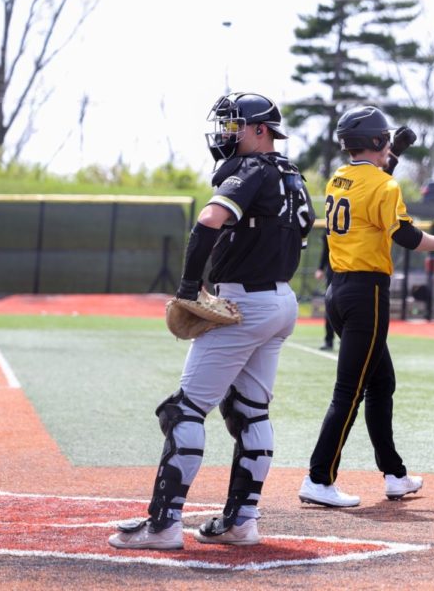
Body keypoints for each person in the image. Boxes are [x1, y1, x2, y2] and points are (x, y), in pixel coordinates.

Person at [108, 92, 314, 549]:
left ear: (261, 130)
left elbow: (209, 220)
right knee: (248, 410)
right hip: (281, 302)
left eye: (234, 125)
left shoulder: (253, 169)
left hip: (244, 305)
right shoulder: (293, 176)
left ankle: (163, 526)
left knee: (182, 410)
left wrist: (186, 286)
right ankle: (243, 521)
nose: (226, 133)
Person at [298, 105, 434, 507]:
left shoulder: (339, 177)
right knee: (349, 392)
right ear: (376, 142)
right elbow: (404, 235)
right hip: (367, 294)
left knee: (381, 383)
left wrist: (393, 157)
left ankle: (394, 474)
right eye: (385, 138)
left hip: (339, 291)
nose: (389, 142)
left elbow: (370, 188)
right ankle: (318, 478)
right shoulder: (385, 187)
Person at [314, 231, 335, 350]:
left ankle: (347, 339)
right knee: (331, 305)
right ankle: (329, 339)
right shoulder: (331, 223)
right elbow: (326, 249)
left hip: (351, 270)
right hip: (334, 271)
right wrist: (321, 268)